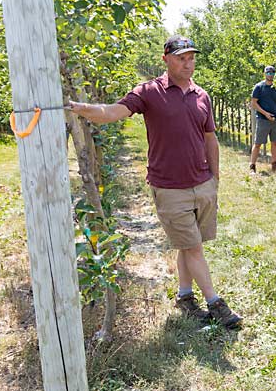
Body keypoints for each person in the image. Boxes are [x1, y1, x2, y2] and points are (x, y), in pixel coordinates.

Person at [69, 35, 241, 329]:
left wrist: (215, 178)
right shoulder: (149, 91)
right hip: (169, 186)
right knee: (194, 247)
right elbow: (112, 112)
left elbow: (210, 138)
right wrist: (77, 107)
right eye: (181, 58)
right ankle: (216, 303)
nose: (188, 63)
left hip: (202, 183)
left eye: (191, 57)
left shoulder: (202, 95)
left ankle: (185, 297)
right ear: (166, 59)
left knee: (189, 245)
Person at [250, 65, 276, 174]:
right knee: (258, 143)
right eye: (268, 73)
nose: (270, 75)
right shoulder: (259, 87)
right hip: (262, 119)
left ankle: (274, 164)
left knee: (274, 143)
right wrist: (265, 114)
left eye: (272, 73)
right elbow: (254, 103)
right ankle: (252, 166)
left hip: (274, 120)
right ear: (265, 74)